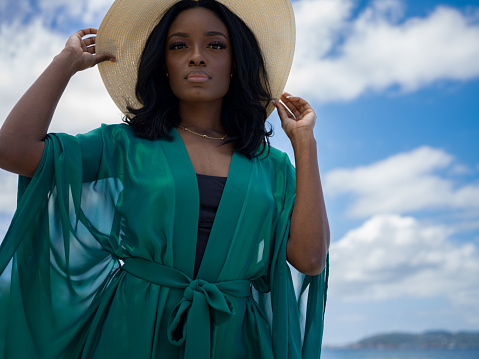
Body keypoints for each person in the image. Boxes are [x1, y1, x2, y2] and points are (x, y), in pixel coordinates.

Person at [0, 0, 329, 358]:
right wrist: (65, 63)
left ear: (236, 63)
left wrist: (304, 143)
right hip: (133, 331)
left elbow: (310, 260)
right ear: (164, 65)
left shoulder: (273, 166)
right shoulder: (125, 146)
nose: (197, 56)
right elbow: (13, 149)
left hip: (233, 340)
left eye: (215, 45)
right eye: (179, 46)